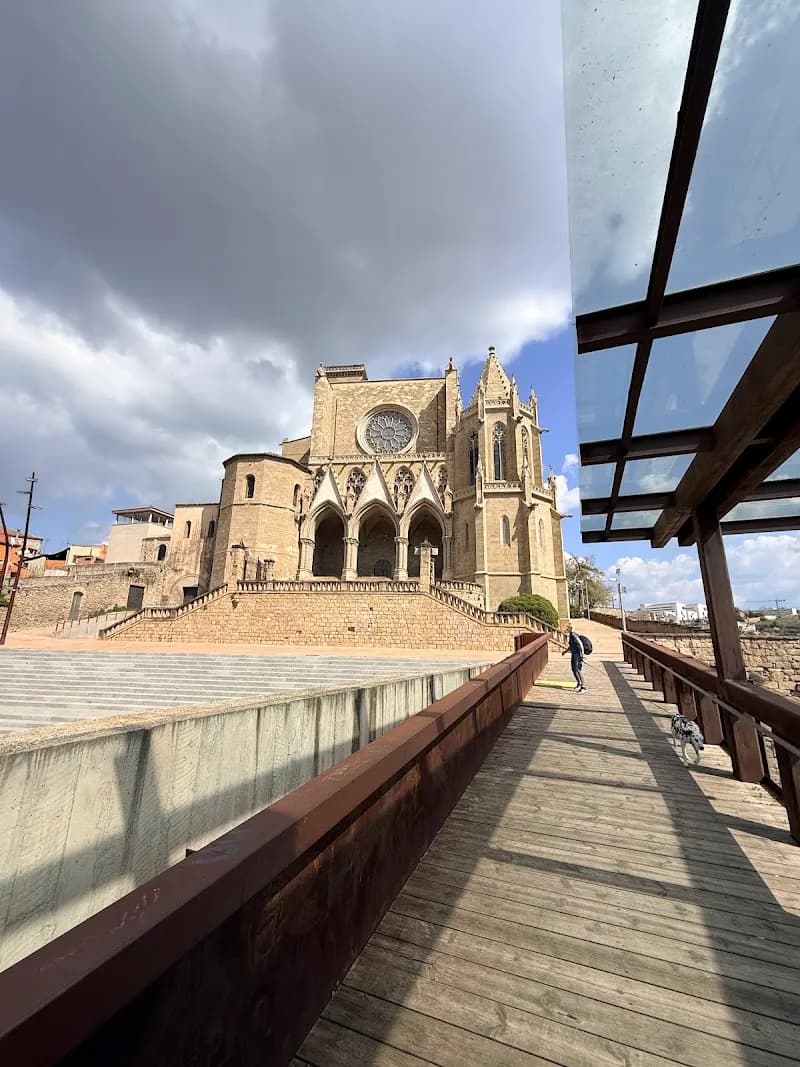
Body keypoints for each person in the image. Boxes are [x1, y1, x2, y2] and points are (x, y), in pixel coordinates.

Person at [562, 623, 587, 693]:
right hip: (574, 654)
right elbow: (572, 646)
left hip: (578, 655)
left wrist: (582, 656)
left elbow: (580, 645)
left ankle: (584, 687)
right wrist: (565, 651)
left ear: (570, 628)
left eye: (568, 628)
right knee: (574, 669)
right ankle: (579, 683)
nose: (566, 629)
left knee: (578, 669)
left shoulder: (573, 635)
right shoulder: (571, 635)